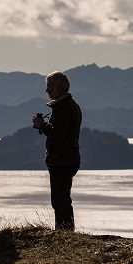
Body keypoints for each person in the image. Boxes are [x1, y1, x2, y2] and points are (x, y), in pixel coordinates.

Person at [32, 71, 82, 231]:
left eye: (50, 87)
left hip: (62, 159)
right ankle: (65, 230)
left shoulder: (64, 107)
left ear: (60, 87)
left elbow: (59, 133)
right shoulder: (68, 105)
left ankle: (64, 232)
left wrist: (42, 125)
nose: (47, 91)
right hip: (67, 158)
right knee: (62, 198)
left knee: (60, 200)